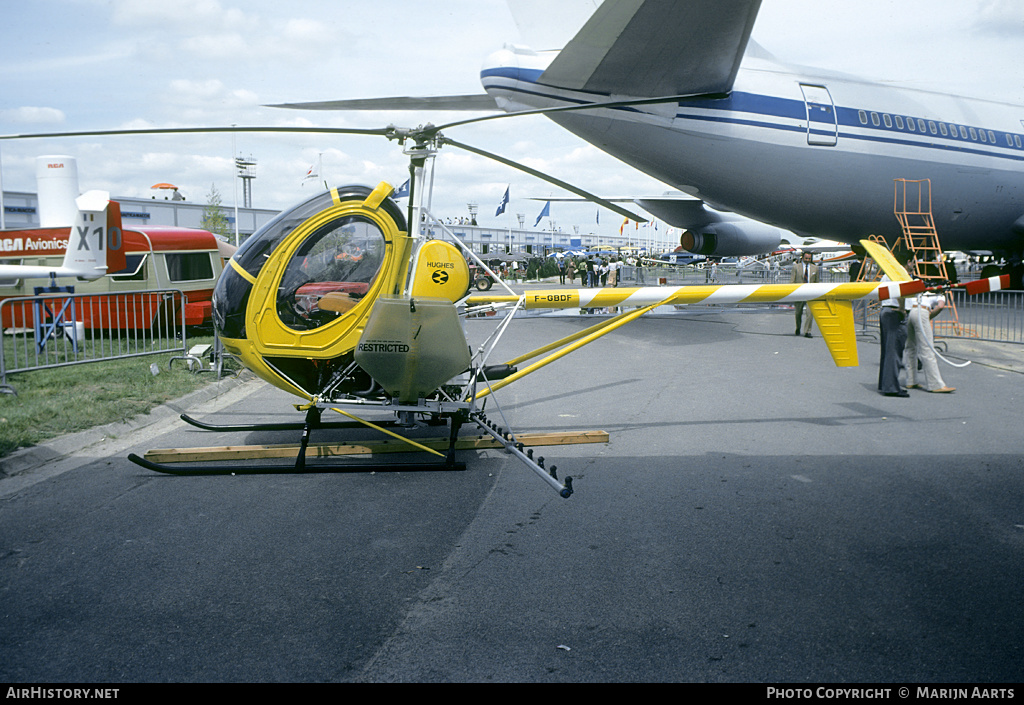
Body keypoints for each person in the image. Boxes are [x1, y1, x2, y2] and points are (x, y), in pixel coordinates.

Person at [904, 292, 955, 393]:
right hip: (922, 311)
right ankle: (935, 384)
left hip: (911, 312)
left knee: (910, 347)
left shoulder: (918, 290)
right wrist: (929, 317)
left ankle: (911, 380)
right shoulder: (939, 293)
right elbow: (940, 306)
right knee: (927, 348)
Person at [877, 275, 908, 397]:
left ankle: (885, 383)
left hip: (886, 309)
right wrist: (902, 308)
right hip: (894, 311)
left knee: (887, 351)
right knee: (894, 351)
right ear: (909, 261)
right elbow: (901, 291)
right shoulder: (899, 272)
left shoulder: (886, 274)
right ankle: (891, 387)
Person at [790, 251, 818, 337]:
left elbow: (817, 282)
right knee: (798, 313)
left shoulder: (815, 268)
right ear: (802, 258)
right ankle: (798, 327)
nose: (807, 260)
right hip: (799, 293)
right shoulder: (796, 267)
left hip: (810, 294)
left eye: (809, 258)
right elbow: (792, 281)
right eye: (806, 258)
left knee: (810, 314)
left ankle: (807, 331)